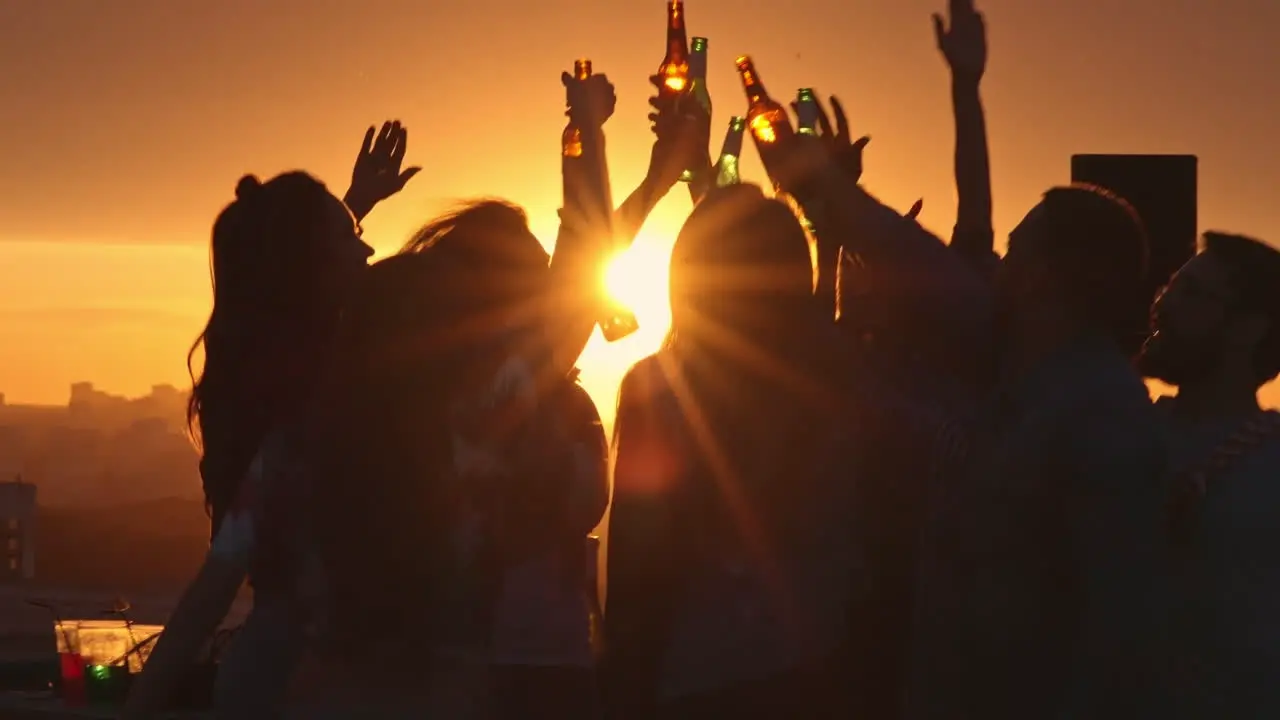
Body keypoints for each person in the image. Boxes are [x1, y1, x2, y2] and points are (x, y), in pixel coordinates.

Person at [124, 122, 418, 720]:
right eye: (350, 237)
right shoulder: (313, 413)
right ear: (311, 266)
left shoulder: (256, 384)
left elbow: (288, 259)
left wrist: (350, 206)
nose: (367, 249)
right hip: (305, 682)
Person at [909, 185, 1169, 719]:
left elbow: (1115, 616)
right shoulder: (1010, 380)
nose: (999, 263)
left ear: (1042, 276)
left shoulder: (1104, 413)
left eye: (1016, 249)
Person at [605, 182, 858, 718]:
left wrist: (622, 687)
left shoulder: (661, 390)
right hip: (822, 670)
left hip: (700, 675)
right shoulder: (846, 384)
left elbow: (636, 568)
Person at [402, 199, 610, 719]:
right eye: (534, 273)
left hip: (552, 661)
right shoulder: (431, 405)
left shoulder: (562, 399)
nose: (551, 286)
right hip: (472, 664)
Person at [1138, 231, 1280, 718]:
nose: (1164, 303)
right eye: (1171, 286)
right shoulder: (1120, 435)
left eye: (1193, 293)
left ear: (1249, 329)